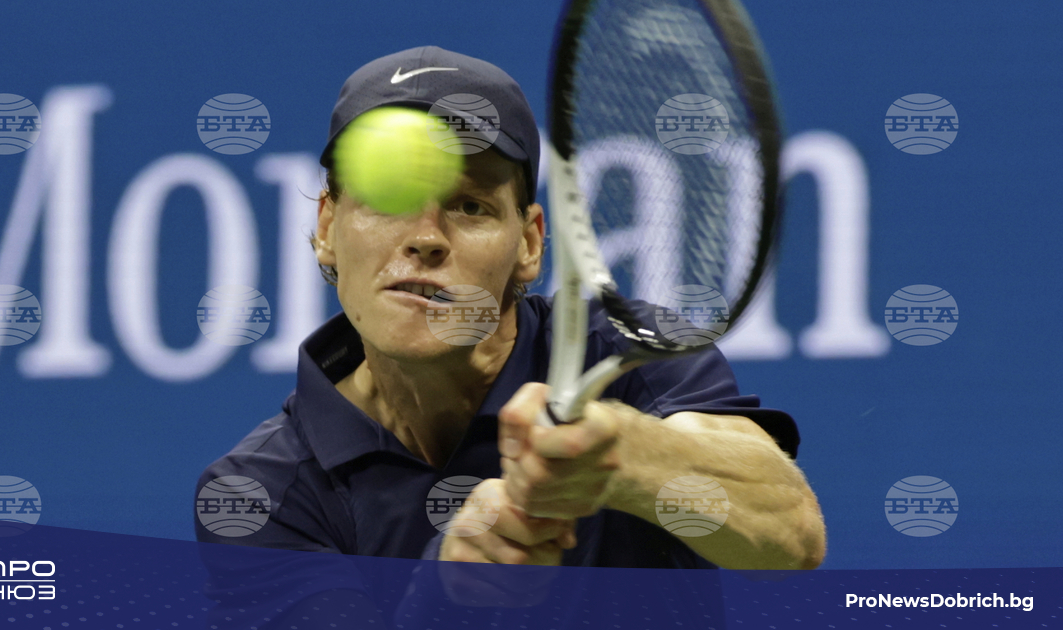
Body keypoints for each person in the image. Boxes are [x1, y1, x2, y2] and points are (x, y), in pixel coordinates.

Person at [197, 46, 824, 576]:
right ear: (327, 227)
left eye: (469, 206)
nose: (427, 237)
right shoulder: (260, 492)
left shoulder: (630, 351)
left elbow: (791, 536)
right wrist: (446, 595)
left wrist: (625, 456)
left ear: (528, 244)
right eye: (389, 196)